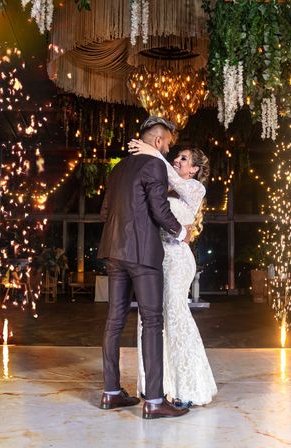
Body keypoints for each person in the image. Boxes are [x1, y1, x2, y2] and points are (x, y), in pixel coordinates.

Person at [97, 116, 192, 420]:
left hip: (113, 252)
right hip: (141, 255)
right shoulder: (154, 166)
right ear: (158, 140)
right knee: (152, 322)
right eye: (167, 143)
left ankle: (111, 393)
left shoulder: (117, 169)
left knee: (114, 321)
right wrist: (181, 233)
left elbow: (105, 213)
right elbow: (159, 210)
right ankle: (153, 400)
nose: (167, 149)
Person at [129, 139, 217, 407]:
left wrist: (153, 153)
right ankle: (157, 386)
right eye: (176, 157)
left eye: (183, 159)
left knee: (176, 316)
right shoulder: (164, 189)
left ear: (193, 170)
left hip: (177, 260)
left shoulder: (194, 188)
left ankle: (188, 386)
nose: (177, 161)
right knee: (152, 320)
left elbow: (169, 175)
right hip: (156, 259)